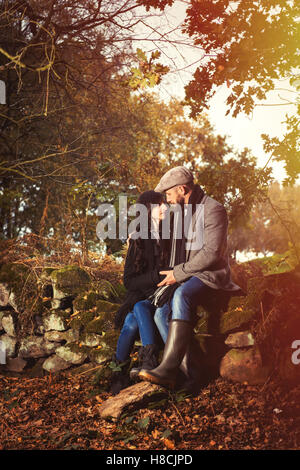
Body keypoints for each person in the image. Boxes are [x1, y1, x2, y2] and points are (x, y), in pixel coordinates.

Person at [138, 166, 240, 392]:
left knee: (181, 296)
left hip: (210, 274)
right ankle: (190, 376)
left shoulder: (214, 209)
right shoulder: (181, 211)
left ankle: (168, 368)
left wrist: (179, 274)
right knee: (159, 313)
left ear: (182, 189)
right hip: (188, 273)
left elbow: (211, 254)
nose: (167, 200)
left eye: (169, 195)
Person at [109, 190, 169, 395]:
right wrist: (156, 277)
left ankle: (124, 370)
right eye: (160, 204)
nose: (165, 208)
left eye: (165, 203)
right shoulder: (137, 239)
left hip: (161, 296)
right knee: (132, 319)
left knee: (135, 316)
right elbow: (128, 281)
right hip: (142, 296)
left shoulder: (169, 235)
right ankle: (125, 371)